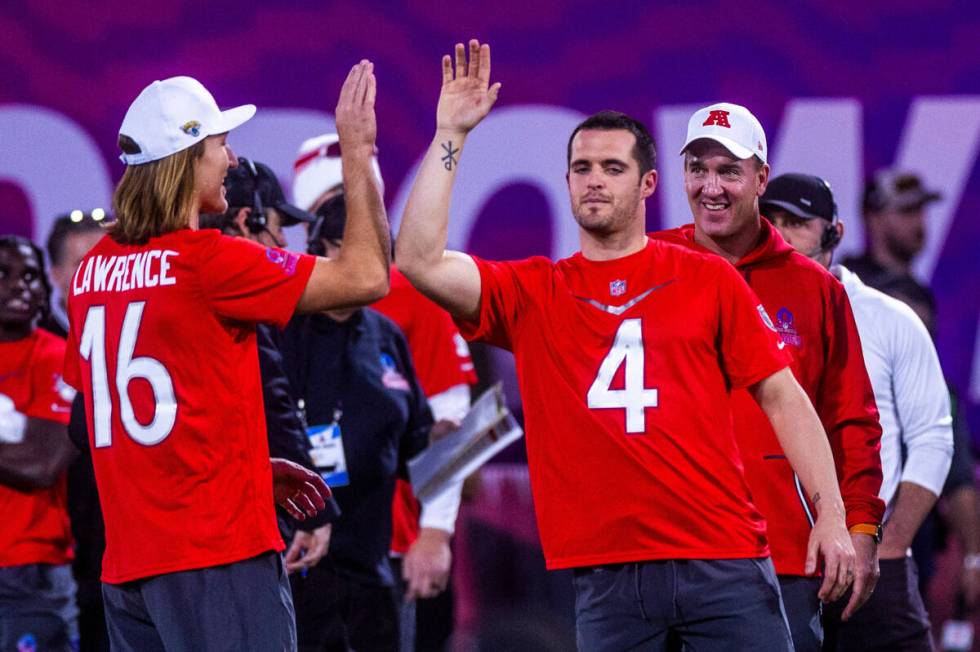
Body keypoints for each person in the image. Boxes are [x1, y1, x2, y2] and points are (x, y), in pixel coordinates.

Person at [395, 39, 856, 651]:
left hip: (723, 560)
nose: (594, 181)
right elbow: (419, 260)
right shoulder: (535, 291)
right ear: (564, 181)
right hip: (608, 574)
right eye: (582, 168)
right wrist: (450, 134)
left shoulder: (707, 279)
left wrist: (830, 512)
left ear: (648, 184)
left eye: (613, 168)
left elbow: (783, 396)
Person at [62, 64, 387, 652]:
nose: (233, 161)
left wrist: (242, 469)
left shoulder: (91, 272)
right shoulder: (208, 261)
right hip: (219, 561)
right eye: (221, 145)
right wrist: (358, 156)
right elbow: (366, 276)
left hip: (129, 570)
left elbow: (97, 424)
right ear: (188, 158)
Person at [650, 103, 885, 652]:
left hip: (780, 554)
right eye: (698, 169)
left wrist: (861, 528)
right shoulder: (646, 263)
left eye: (729, 171)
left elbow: (851, 418)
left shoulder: (814, 289)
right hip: (657, 553)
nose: (711, 187)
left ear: (761, 179)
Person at [294, 132, 477, 651]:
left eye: (357, 204)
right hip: (296, 550)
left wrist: (436, 532)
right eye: (333, 209)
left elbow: (447, 415)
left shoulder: (412, 295)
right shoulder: (285, 298)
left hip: (391, 544)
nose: (349, 221)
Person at [762, 172, 954, 651]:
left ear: (835, 233)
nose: (782, 234)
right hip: (774, 558)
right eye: (773, 220)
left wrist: (891, 542)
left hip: (871, 551)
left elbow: (933, 438)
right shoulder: (740, 312)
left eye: (798, 223)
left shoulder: (888, 318)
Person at [0, 235, 79, 652]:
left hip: (31, 567)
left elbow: (42, 464)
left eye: (31, 276)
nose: (19, 286)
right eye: (3, 274)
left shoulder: (61, 358)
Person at [841, 170, 941, 293]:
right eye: (907, 210)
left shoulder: (917, 291)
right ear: (874, 220)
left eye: (920, 209)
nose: (918, 221)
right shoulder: (848, 287)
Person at [43, 211, 107, 338]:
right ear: (56, 275)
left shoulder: (144, 332)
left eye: (107, 261)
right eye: (84, 263)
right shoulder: (36, 346)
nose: (99, 272)